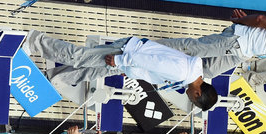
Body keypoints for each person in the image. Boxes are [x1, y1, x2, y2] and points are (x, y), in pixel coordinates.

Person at [22, 31, 217, 111]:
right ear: (198, 93)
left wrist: (130, 70)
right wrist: (121, 60)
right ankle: (35, 41)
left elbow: (152, 68)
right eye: (193, 100)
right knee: (79, 57)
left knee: (87, 73)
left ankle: (49, 79)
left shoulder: (189, 74)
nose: (189, 99)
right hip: (126, 54)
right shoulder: (182, 73)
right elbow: (152, 62)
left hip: (128, 62)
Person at [158, 9, 266, 79]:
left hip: (243, 52)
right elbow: (261, 20)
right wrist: (241, 21)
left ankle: (162, 67)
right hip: (237, 41)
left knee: (208, 71)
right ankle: (148, 47)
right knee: (190, 48)